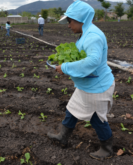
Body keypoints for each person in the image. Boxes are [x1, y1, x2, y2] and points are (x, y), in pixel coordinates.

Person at [47, 0, 115, 160]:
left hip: (97, 86)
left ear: (80, 19)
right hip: (87, 84)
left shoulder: (93, 36)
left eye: (70, 21)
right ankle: (63, 136)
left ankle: (107, 148)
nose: (68, 25)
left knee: (96, 118)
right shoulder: (86, 33)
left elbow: (92, 62)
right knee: (71, 109)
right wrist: (65, 64)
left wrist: (64, 67)